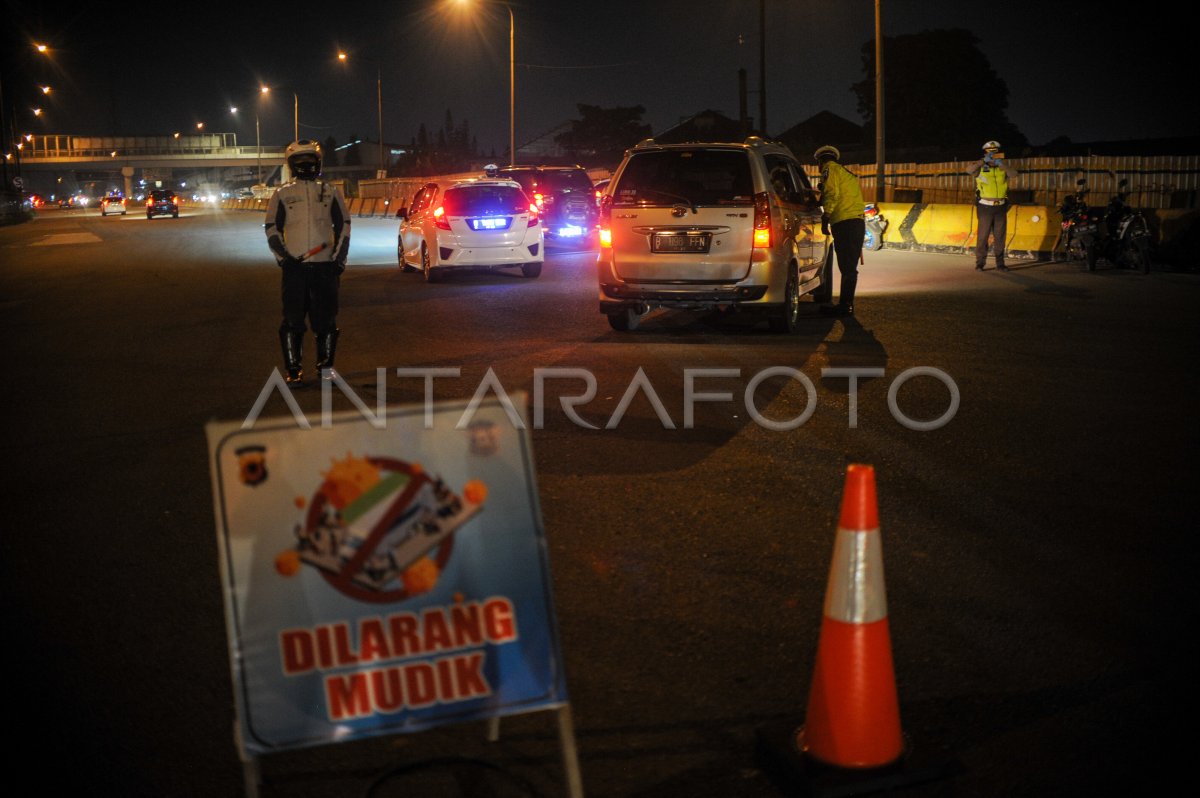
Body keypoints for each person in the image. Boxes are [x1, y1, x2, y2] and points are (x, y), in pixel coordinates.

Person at [264, 140, 351, 384]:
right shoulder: (282, 193)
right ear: (291, 165)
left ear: (318, 162)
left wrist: (339, 260)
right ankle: (293, 369)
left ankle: (326, 368)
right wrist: (284, 259)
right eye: (300, 162)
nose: (305, 165)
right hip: (295, 270)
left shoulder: (331, 192)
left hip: (325, 268)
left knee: (326, 320)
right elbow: (272, 227)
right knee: (292, 320)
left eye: (310, 161)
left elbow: (344, 224)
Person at [814, 145, 865, 317]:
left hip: (844, 223)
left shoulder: (829, 169)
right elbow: (838, 193)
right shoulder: (846, 173)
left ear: (821, 161)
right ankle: (846, 304)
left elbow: (832, 194)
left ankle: (845, 306)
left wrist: (825, 218)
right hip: (856, 222)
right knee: (849, 266)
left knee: (847, 266)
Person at [967, 140, 1019, 272]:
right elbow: (968, 170)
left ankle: (1000, 264)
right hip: (985, 207)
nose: (993, 154)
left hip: (1001, 207)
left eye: (995, 152)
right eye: (990, 152)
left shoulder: (1002, 168)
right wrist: (982, 161)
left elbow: (1014, 174)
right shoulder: (980, 169)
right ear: (985, 153)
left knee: (1000, 236)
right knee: (983, 236)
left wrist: (1001, 164)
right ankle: (980, 263)